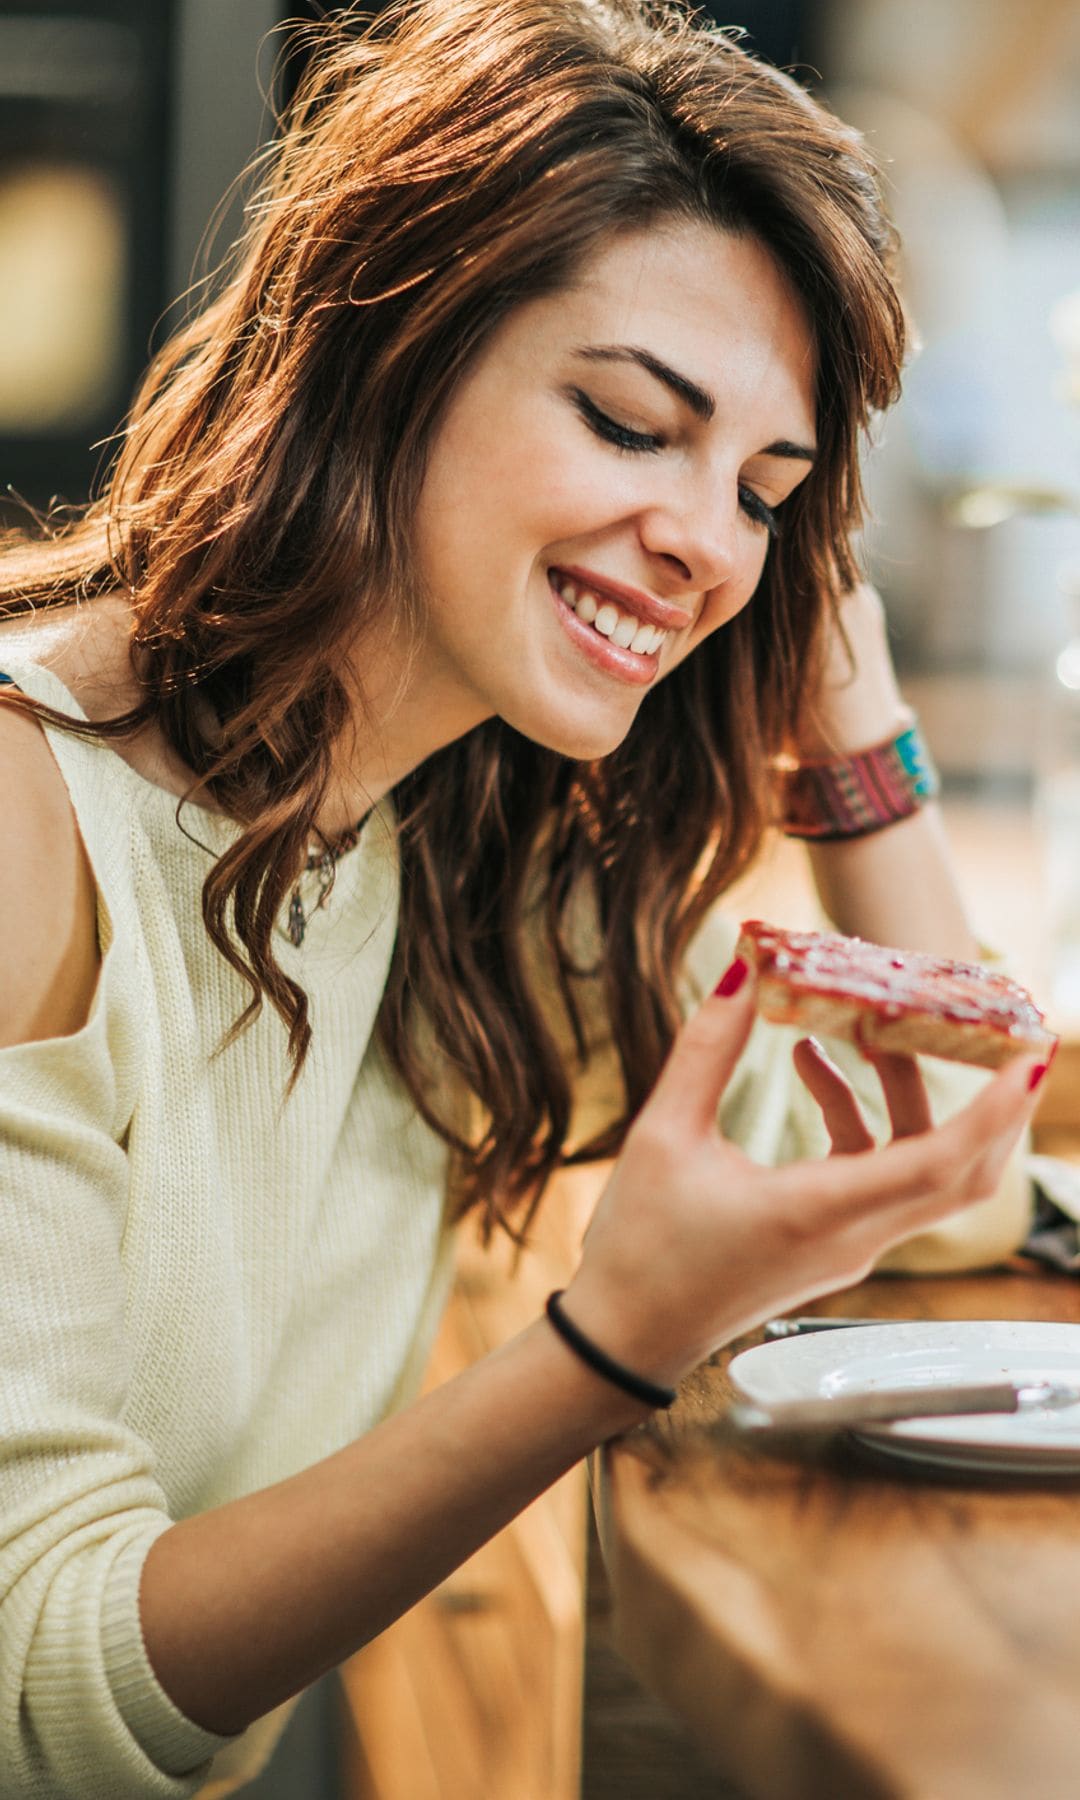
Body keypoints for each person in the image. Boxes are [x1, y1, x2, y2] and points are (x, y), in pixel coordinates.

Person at [0, 2, 1046, 1795]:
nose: (709, 546)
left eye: (766, 494)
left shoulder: (448, 842)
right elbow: (39, 1692)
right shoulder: (33, 820)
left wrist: (846, 708)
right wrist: (607, 1346)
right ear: (387, 349)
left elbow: (949, 1163)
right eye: (631, 423)